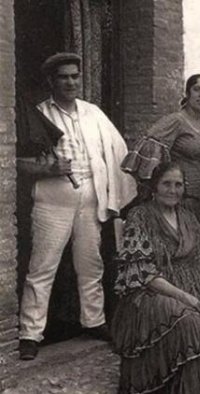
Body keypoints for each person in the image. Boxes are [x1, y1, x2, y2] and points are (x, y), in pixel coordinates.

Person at [16, 52, 137, 360]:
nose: (70, 82)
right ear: (51, 81)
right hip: (52, 201)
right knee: (42, 268)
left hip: (90, 197)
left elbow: (116, 149)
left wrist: (113, 191)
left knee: (91, 265)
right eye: (63, 77)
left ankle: (93, 321)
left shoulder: (92, 112)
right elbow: (15, 163)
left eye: (74, 76)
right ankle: (30, 333)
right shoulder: (38, 115)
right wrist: (48, 169)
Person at [111, 162, 200, 394]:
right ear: (154, 186)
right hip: (155, 291)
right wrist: (182, 296)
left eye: (178, 185)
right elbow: (143, 273)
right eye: (166, 184)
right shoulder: (140, 216)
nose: (173, 190)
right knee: (190, 324)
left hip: (195, 284)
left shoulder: (187, 216)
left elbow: (199, 260)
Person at [121, 74, 200, 225]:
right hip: (181, 200)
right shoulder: (176, 121)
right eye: (197, 89)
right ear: (187, 94)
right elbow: (151, 149)